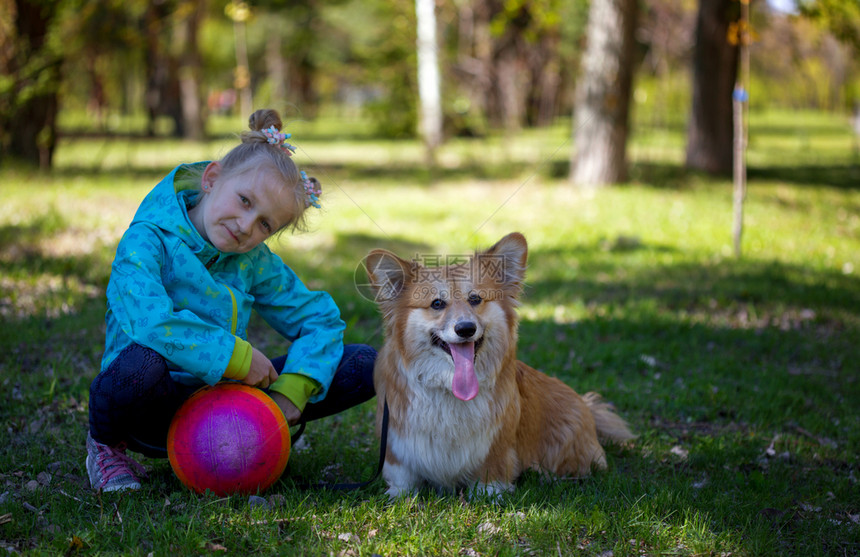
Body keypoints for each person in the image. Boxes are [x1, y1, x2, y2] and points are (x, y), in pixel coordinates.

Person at [86, 108, 376, 492]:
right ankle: (105, 446)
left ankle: (257, 433)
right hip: (151, 407)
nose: (245, 226)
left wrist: (292, 389)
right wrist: (236, 356)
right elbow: (150, 321)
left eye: (265, 224)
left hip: (221, 405)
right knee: (142, 363)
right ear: (211, 178)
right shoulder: (146, 240)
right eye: (243, 201)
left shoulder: (252, 259)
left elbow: (319, 318)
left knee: (363, 364)